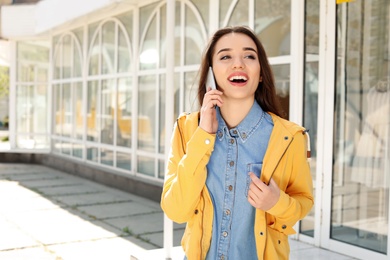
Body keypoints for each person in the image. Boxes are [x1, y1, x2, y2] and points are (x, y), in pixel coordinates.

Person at [160, 26, 314, 260]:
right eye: (225, 56)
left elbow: (303, 204)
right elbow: (176, 210)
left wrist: (276, 202)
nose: (238, 64)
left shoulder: (290, 137)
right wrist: (203, 137)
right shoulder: (187, 129)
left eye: (249, 56)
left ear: (260, 73)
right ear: (211, 73)